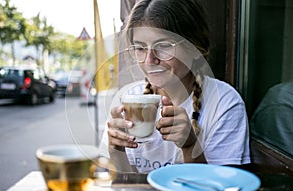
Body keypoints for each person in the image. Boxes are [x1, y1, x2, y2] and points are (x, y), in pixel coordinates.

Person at [99, 0, 250, 173]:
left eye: (163, 46)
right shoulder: (126, 98)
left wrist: (190, 146)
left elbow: (221, 190)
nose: (150, 60)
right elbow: (125, 187)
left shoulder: (224, 102)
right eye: (140, 48)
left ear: (194, 48)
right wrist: (116, 151)